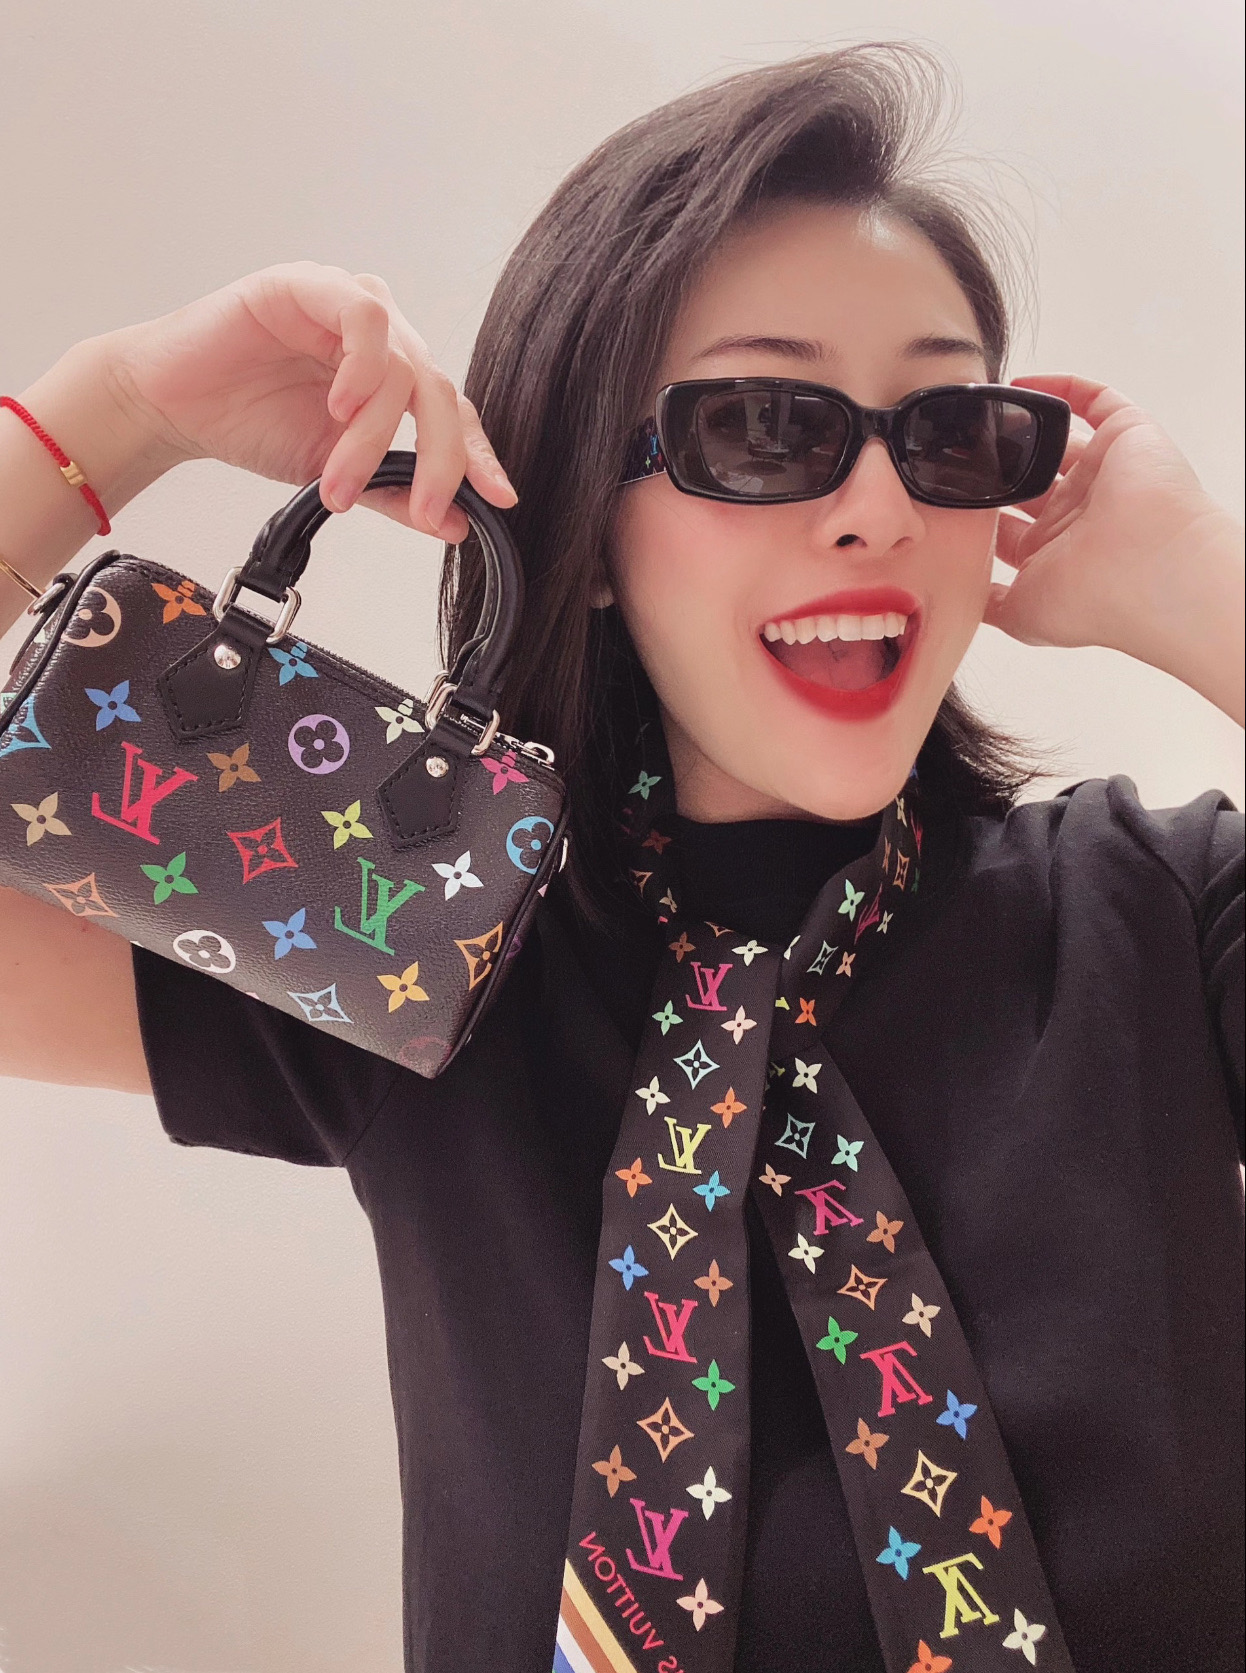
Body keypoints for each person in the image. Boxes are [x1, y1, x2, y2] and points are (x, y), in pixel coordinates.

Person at [0, 42, 1242, 1673]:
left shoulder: (1161, 915)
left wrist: (1201, 588)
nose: (880, 506)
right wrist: (115, 411)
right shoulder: (404, 934)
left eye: (950, 430)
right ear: (583, 529)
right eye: (762, 425)